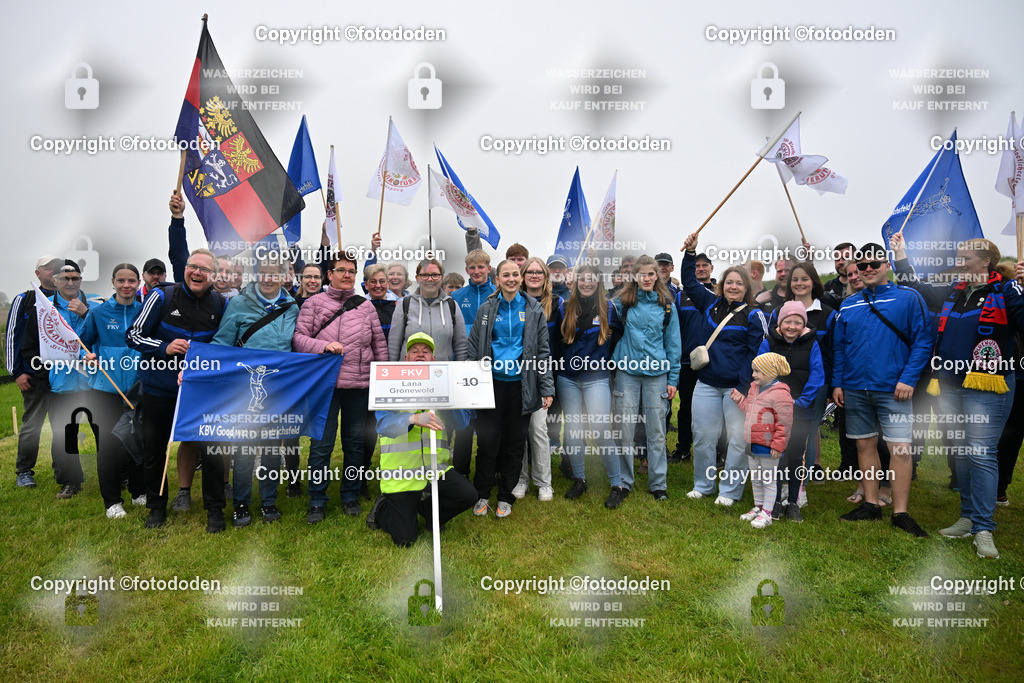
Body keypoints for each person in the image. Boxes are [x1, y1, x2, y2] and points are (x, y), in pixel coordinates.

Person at [891, 234, 1024, 557]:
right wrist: (901, 254)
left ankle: (983, 527)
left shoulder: (1006, 290)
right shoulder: (954, 290)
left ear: (985, 262)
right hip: (949, 383)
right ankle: (967, 517)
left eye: (965, 259)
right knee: (962, 452)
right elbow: (917, 288)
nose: (958, 263)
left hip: (987, 384)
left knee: (980, 452)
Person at [832, 243, 931, 537]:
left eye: (875, 263)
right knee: (864, 445)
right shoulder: (848, 304)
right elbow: (839, 348)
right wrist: (838, 383)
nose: (868, 269)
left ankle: (901, 512)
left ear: (886, 265)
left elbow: (923, 341)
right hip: (855, 388)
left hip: (894, 389)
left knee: (899, 448)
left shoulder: (909, 297)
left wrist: (909, 378)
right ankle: (871, 504)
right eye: (862, 266)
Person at [127, 248, 228, 531]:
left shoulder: (221, 304)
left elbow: (229, 345)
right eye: (192, 266)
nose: (197, 273)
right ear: (184, 269)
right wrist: (164, 347)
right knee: (156, 449)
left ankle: (215, 510)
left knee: (210, 448)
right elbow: (133, 335)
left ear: (214, 276)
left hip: (201, 392)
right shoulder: (161, 296)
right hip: (159, 389)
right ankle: (156, 508)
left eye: (204, 270)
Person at [292, 254, 388, 523]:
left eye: (352, 271)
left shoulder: (366, 307)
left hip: (359, 385)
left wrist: (384, 379)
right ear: (329, 274)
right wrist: (323, 346)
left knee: (355, 444)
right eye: (342, 270)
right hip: (326, 385)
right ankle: (317, 500)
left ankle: (350, 495)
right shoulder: (313, 304)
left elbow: (378, 344)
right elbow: (299, 339)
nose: (347, 275)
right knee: (321, 445)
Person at [365, 333, 479, 546]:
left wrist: (446, 398)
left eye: (425, 351)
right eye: (414, 351)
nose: (420, 355)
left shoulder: (444, 382)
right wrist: (413, 418)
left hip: (435, 469)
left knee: (468, 495)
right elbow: (383, 425)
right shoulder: (391, 382)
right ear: (406, 359)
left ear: (433, 359)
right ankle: (381, 508)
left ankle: (428, 512)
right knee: (406, 540)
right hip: (402, 474)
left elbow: (462, 423)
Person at [211, 254, 299, 526]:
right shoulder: (238, 304)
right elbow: (221, 342)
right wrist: (196, 367)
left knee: (273, 448)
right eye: (264, 272)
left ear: (284, 276)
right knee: (245, 449)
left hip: (278, 389)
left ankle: (269, 501)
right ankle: (241, 503)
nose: (269, 278)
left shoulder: (293, 306)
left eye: (275, 273)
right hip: (245, 389)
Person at [681, 231, 768, 505]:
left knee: (737, 442)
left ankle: (729, 491)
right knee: (704, 437)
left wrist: (744, 387)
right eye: (729, 282)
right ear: (722, 285)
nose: (733, 287)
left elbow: (755, 356)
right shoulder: (709, 303)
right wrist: (690, 253)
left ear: (747, 288)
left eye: (739, 283)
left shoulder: (754, 314)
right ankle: (703, 485)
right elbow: (689, 281)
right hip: (705, 383)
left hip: (736, 388)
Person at [467, 260, 554, 518]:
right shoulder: (486, 308)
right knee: (488, 442)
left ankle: (506, 496)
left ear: (521, 277)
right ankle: (481, 494)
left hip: (521, 386)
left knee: (515, 443)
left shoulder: (534, 309)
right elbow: (474, 348)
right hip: (491, 385)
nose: (512, 279)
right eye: (506, 275)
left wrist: (546, 386)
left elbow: (542, 352)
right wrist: (473, 382)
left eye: (516, 274)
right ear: (498, 279)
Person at [609, 255, 681, 501]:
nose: (647, 278)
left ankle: (658, 483)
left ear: (657, 276)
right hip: (627, 372)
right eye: (642, 274)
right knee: (625, 429)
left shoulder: (668, 306)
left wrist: (673, 378)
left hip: (656, 375)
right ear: (635, 276)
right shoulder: (622, 303)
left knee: (657, 430)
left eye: (651, 274)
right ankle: (624, 482)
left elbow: (673, 344)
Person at [24, 262, 96, 498]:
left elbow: (108, 340)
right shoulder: (43, 310)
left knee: (106, 432)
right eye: (65, 278)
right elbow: (30, 348)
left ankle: (119, 474)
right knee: (65, 436)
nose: (70, 282)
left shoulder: (95, 306)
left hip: (94, 383)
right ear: (54, 281)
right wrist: (47, 371)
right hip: (62, 385)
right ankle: (70, 481)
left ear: (81, 279)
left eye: (75, 278)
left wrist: (86, 313)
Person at [557, 265, 625, 507]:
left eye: (591, 280)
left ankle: (617, 485)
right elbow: (557, 339)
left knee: (600, 430)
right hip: (567, 378)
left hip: (596, 377)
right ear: (576, 281)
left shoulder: (610, 308)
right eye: (582, 279)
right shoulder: (563, 306)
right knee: (573, 431)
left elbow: (617, 337)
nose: (586, 283)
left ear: (598, 282)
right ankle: (580, 479)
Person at [81, 264, 145, 518]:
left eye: (131, 281)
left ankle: (139, 491)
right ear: (113, 282)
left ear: (139, 283)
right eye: (121, 280)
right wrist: (86, 356)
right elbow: (80, 343)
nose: (126, 285)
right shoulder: (98, 313)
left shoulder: (145, 311)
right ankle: (112, 502)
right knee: (108, 446)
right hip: (105, 389)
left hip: (138, 390)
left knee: (138, 441)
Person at [758, 301, 825, 522]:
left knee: (796, 456)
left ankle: (794, 501)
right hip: (775, 411)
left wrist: (803, 400)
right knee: (775, 456)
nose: (792, 326)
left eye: (798, 322)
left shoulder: (812, 344)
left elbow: (817, 374)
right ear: (780, 322)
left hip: (801, 410)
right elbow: (761, 371)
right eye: (788, 321)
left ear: (803, 324)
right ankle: (774, 500)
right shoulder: (769, 342)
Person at [8, 255, 63, 488]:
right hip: (33, 375)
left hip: (61, 375)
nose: (52, 272)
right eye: (47, 268)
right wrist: (16, 372)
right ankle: (24, 471)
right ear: (38, 273)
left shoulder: (68, 299)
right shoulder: (25, 299)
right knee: (32, 425)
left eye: (56, 268)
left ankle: (63, 473)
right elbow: (11, 337)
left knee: (62, 426)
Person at [513, 257, 563, 502]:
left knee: (538, 430)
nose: (534, 276)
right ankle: (520, 479)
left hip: (543, 374)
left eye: (539, 272)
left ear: (546, 276)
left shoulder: (557, 303)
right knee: (519, 432)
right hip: (514, 376)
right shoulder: (515, 302)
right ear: (523, 276)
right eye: (529, 272)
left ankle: (544, 482)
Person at [733, 352, 794, 529]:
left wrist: (778, 445)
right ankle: (758, 507)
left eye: (757, 371)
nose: (753, 375)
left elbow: (785, 423)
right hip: (752, 442)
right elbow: (749, 409)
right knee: (757, 478)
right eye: (753, 371)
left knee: (768, 479)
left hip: (768, 445)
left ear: (769, 372)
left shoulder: (781, 394)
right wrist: (740, 401)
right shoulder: (754, 388)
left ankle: (767, 513)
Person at [450, 249, 495, 479]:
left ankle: (489, 472)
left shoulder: (498, 294)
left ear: (489, 268)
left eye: (481, 267)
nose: (477, 271)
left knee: (488, 425)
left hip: (491, 367)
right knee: (464, 424)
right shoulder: (457, 297)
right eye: (472, 267)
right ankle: (460, 473)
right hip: (465, 366)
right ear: (467, 270)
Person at [387, 258, 468, 363]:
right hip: (410, 375)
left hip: (443, 374)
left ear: (441, 278)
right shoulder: (404, 304)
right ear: (417, 277)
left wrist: (460, 371)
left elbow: (461, 346)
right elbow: (394, 345)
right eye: (424, 275)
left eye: (435, 275)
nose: (430, 279)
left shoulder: (451, 305)